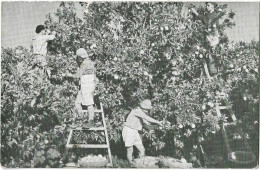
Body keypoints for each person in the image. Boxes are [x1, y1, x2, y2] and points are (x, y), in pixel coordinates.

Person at [122, 99, 163, 164]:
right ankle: (130, 164)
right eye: (146, 109)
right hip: (128, 130)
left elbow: (146, 125)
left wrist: (157, 126)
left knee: (142, 149)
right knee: (130, 149)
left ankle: (140, 163)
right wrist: (157, 122)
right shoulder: (136, 110)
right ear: (141, 107)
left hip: (135, 132)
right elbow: (147, 118)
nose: (147, 111)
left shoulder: (141, 114)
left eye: (147, 110)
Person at [68, 48, 99, 128]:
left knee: (89, 103)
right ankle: (80, 119)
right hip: (87, 84)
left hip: (87, 84)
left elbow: (78, 75)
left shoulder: (84, 64)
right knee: (77, 102)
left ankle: (90, 121)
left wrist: (68, 75)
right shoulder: (91, 63)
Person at [191, 2, 220, 79]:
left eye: (208, 5)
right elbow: (201, 18)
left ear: (212, 6)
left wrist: (214, 36)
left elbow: (215, 28)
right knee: (205, 55)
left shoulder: (214, 15)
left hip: (212, 37)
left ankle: (214, 73)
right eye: (206, 5)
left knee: (211, 54)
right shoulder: (207, 15)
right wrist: (194, 12)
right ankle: (207, 74)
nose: (207, 7)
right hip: (207, 37)